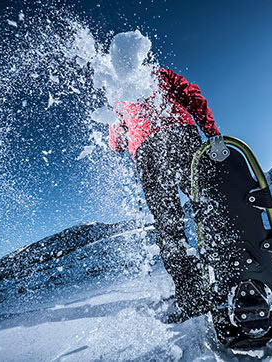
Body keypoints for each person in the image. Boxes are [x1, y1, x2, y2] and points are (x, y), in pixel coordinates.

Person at [107, 32, 220, 321]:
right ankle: (229, 270)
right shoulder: (160, 75)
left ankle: (192, 295)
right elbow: (193, 97)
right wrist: (212, 134)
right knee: (207, 203)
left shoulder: (120, 98)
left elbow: (116, 143)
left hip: (147, 152)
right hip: (181, 137)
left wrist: (120, 126)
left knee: (167, 223)